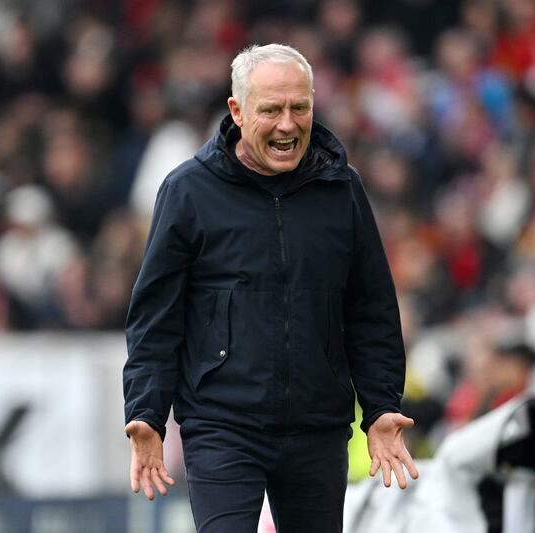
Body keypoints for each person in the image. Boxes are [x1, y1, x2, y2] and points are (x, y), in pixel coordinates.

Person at [123, 43, 418, 533]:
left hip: (318, 428)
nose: (287, 124)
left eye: (299, 108)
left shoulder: (341, 189)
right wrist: (147, 411)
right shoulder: (188, 192)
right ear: (237, 112)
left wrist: (383, 405)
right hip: (221, 426)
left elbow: (372, 311)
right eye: (271, 110)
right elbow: (156, 318)